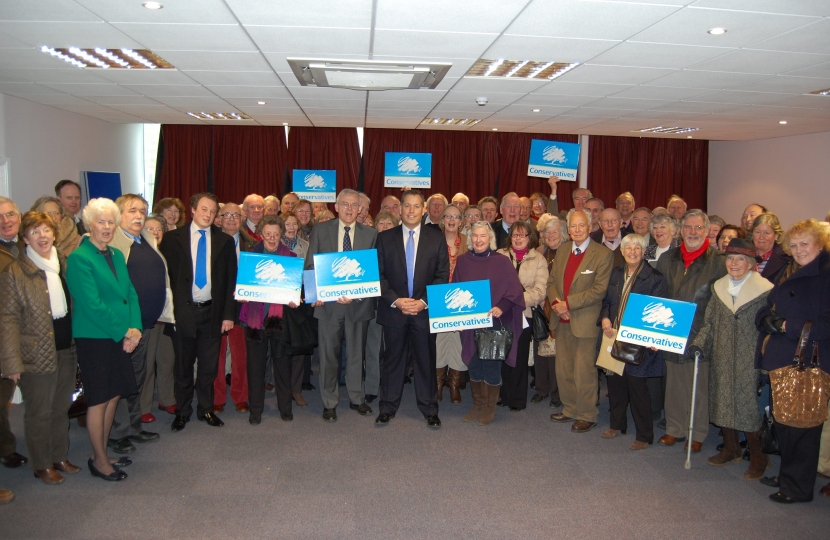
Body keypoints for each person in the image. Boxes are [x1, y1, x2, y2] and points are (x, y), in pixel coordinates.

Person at [0, 212, 80, 484]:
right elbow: (7, 319)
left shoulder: (64, 263)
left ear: (54, 234)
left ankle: (59, 456)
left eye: (46, 230)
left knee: (60, 408)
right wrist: (11, 363)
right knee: (39, 412)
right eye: (35, 232)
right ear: (25, 239)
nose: (42, 236)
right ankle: (41, 463)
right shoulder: (15, 272)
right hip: (35, 353)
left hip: (66, 348)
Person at [66, 198, 142, 482]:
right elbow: (91, 304)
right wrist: (125, 331)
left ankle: (103, 452)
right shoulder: (79, 258)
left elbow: (129, 294)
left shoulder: (116, 254)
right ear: (89, 225)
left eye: (111, 221)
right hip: (95, 337)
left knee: (113, 396)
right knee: (98, 399)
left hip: (120, 334)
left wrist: (134, 327)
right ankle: (98, 460)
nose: (107, 227)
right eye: (101, 222)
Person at [755, 219, 830, 503]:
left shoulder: (825, 277)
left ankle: (797, 488)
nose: (798, 250)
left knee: (803, 428)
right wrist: (766, 319)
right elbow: (767, 305)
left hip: (809, 364)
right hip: (784, 360)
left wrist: (786, 326)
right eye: (794, 245)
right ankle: (789, 476)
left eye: (805, 244)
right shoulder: (793, 271)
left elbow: (825, 325)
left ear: (820, 243)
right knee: (785, 423)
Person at [685, 238, 773, 478]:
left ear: (751, 263)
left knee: (748, 409)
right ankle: (731, 448)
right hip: (722, 355)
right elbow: (710, 322)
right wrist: (698, 344)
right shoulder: (719, 287)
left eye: (740, 259)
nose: (734, 263)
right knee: (722, 401)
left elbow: (769, 330)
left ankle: (758, 456)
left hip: (749, 358)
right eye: (730, 258)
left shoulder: (765, 290)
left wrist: (767, 362)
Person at [159, 193, 237, 432]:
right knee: (183, 367)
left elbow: (229, 282)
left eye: (213, 211)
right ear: (193, 210)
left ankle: (206, 409)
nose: (208, 214)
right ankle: (182, 411)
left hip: (212, 313)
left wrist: (228, 315)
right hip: (183, 313)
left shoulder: (224, 241)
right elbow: (166, 279)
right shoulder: (173, 239)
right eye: (204, 209)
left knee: (208, 368)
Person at [374, 191, 449, 428]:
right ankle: (387, 407)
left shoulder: (436, 238)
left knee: (425, 361)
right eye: (407, 206)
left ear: (423, 209)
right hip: (394, 310)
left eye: (416, 207)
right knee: (392, 361)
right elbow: (379, 276)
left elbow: (441, 276)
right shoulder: (385, 238)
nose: (411, 211)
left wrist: (423, 301)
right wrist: (396, 301)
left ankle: (429, 409)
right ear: (400, 209)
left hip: (423, 311)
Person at [656, 209, 726, 453]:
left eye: (698, 228)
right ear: (681, 231)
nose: (693, 232)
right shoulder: (669, 258)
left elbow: (720, 302)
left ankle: (696, 432)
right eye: (689, 227)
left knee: (698, 384)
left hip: (700, 331)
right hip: (671, 330)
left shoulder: (718, 262)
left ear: (706, 231)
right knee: (674, 382)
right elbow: (659, 293)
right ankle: (674, 428)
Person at [305, 189, 377, 422]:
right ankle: (329, 401)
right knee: (328, 355)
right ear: (336, 206)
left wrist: (357, 295)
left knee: (357, 355)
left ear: (360, 210)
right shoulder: (320, 230)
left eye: (354, 205)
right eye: (344, 204)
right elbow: (310, 265)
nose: (349, 209)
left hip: (358, 304)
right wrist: (315, 294)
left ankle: (357, 398)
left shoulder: (371, 234)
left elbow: (372, 271)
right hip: (328, 305)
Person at [107, 194, 172, 453]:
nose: (138, 216)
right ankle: (117, 433)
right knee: (122, 379)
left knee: (136, 377)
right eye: (132, 210)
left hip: (145, 324)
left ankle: (133, 428)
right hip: (125, 327)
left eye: (142, 211)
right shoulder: (112, 242)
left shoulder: (146, 239)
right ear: (118, 214)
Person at [599, 234, 668, 450]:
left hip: (638, 341)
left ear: (643, 251)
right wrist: (605, 318)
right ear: (621, 251)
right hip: (614, 336)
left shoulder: (654, 277)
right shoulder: (616, 273)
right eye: (628, 247)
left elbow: (657, 312)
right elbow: (607, 301)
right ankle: (617, 425)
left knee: (638, 389)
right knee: (616, 384)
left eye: (637, 248)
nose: (632, 251)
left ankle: (644, 434)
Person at [548, 208, 614, 433]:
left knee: (583, 371)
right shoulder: (563, 249)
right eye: (572, 226)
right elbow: (552, 281)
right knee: (563, 369)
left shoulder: (603, 254)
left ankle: (587, 414)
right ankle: (570, 409)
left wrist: (569, 304)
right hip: (562, 319)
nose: (576, 230)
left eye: (581, 226)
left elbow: (599, 290)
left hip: (584, 321)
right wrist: (558, 305)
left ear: (590, 227)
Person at [454, 221, 525, 425]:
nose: (478, 240)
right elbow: (455, 292)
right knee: (474, 364)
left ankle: (489, 408)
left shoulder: (501, 261)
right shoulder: (463, 261)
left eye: (483, 236)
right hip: (470, 324)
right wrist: (455, 318)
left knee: (491, 366)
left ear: (490, 238)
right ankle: (477, 404)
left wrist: (501, 306)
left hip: (495, 323)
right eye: (475, 235)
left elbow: (514, 291)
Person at [240, 216, 305, 423]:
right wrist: (241, 294)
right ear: (261, 234)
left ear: (281, 235)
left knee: (282, 366)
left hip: (281, 322)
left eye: (276, 234)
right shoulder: (250, 258)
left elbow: (297, 291)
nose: (272, 238)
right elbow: (242, 288)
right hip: (254, 321)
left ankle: (285, 409)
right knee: (255, 367)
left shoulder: (291, 259)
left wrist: (296, 298)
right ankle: (256, 411)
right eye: (268, 234)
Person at [497, 221, 548, 412]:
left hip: (525, 314)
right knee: (503, 353)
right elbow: (492, 284)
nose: (518, 239)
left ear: (530, 237)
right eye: (515, 235)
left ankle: (517, 399)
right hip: (501, 314)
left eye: (522, 235)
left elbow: (540, 291)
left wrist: (514, 300)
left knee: (519, 356)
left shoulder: (538, 260)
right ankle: (504, 394)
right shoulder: (500, 255)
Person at [212, 203, 255, 415]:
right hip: (216, 305)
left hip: (243, 306)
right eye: (226, 215)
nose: (231, 219)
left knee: (240, 354)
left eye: (236, 215)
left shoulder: (252, 244)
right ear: (219, 218)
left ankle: (240, 396)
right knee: (217, 354)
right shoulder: (210, 241)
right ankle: (217, 398)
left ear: (242, 218)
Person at [138, 215, 177, 422]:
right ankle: (144, 406)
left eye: (158, 229)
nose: (154, 232)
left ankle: (167, 398)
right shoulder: (139, 252)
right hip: (149, 316)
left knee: (167, 359)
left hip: (168, 316)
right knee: (147, 362)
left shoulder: (169, 253)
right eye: (150, 229)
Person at [0, 196, 29, 471]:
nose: (6, 221)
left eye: (10, 215)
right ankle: (7, 449)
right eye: (0, 216)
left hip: (29, 336)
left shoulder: (27, 246)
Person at [364, 211, 400, 404]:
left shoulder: (401, 246)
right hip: (373, 304)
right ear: (375, 226)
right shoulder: (368, 246)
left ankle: (390, 386)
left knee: (393, 350)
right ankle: (371, 387)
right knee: (372, 348)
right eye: (381, 223)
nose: (385, 227)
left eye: (389, 223)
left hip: (395, 304)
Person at [533, 216, 568, 407]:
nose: (551, 235)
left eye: (555, 231)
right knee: (540, 348)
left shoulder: (568, 252)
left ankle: (556, 393)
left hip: (559, 306)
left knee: (557, 353)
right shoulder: (540, 253)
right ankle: (541, 388)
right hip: (540, 305)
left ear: (562, 234)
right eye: (548, 232)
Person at [435, 204, 468, 404]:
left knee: (458, 342)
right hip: (439, 297)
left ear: (461, 221)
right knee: (439, 342)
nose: (451, 220)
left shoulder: (468, 242)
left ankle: (454, 385)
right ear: (442, 219)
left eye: (456, 216)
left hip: (462, 299)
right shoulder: (433, 240)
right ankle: (438, 384)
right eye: (448, 216)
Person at [750, 212, 790, 281]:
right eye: (758, 232)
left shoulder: (786, 259)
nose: (761, 237)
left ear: (776, 236)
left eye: (767, 233)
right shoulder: (744, 254)